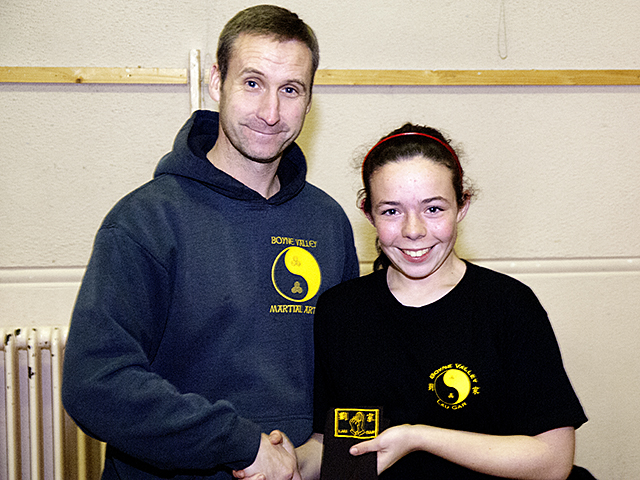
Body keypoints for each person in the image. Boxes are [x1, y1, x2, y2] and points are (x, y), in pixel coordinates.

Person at [62, 5, 359, 480]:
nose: (270, 112)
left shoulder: (328, 222)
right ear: (217, 81)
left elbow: (349, 382)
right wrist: (240, 445)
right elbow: (95, 385)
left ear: (309, 99)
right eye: (253, 82)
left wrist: (332, 462)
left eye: (290, 90)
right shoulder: (145, 220)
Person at [294, 123, 588, 479]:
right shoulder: (340, 311)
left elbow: (553, 460)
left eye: (433, 209)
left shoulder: (509, 306)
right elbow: (330, 447)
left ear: (461, 206)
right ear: (367, 213)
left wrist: (419, 438)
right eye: (391, 211)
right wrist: (286, 462)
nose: (413, 229)